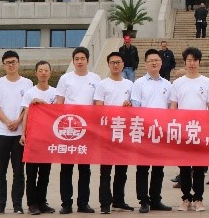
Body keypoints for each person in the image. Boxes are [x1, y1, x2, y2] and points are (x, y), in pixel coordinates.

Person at [169, 47, 209, 212]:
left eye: (194, 60)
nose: (192, 63)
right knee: (184, 167)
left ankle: (198, 199)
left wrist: (208, 126)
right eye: (189, 60)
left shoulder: (206, 82)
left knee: (199, 167)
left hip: (200, 130)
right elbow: (173, 106)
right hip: (183, 130)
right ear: (185, 62)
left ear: (199, 62)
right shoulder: (178, 83)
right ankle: (185, 198)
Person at [55, 46, 102, 214]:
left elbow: (98, 103)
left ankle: (83, 203)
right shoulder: (65, 78)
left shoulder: (96, 79)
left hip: (87, 129)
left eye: (83, 58)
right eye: (77, 59)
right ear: (73, 61)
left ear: (88, 60)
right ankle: (66, 203)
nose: (80, 61)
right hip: (68, 129)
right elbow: (59, 103)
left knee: (84, 169)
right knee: (66, 168)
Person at [0, 50, 34, 215]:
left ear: (19, 63)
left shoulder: (27, 83)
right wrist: (7, 121)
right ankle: (0, 205)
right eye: (8, 63)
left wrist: (18, 121)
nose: (11, 65)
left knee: (19, 172)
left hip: (19, 134)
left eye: (14, 62)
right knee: (0, 171)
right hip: (1, 132)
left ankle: (17, 205)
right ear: (3, 65)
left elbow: (28, 107)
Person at [131, 49, 174, 213]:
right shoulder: (139, 83)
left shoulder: (167, 85)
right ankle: (144, 200)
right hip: (144, 132)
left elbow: (171, 108)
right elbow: (135, 107)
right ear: (145, 64)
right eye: (151, 60)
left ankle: (156, 199)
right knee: (143, 168)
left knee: (158, 168)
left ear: (161, 63)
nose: (154, 63)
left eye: (157, 60)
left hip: (161, 132)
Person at [94, 52, 135, 214]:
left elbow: (135, 107)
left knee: (122, 170)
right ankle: (105, 203)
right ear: (108, 65)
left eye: (118, 62)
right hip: (107, 132)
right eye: (112, 62)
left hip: (123, 131)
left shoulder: (130, 84)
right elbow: (98, 107)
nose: (116, 65)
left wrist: (129, 106)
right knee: (105, 170)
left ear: (123, 64)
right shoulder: (102, 84)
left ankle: (119, 201)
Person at [20, 60, 59, 215]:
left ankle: (42, 202)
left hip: (48, 139)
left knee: (45, 173)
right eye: (40, 70)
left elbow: (58, 114)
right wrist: (23, 134)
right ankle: (32, 204)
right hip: (33, 138)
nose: (43, 73)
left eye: (46, 70)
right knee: (31, 173)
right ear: (35, 73)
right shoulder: (30, 93)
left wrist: (44, 105)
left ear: (50, 73)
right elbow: (26, 115)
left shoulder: (55, 93)